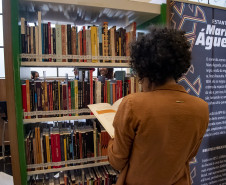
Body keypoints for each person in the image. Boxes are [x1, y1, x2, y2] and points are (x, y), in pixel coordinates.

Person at [107, 27, 209, 185]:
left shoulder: (132, 105)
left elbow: (117, 161)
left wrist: (112, 140)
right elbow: (189, 154)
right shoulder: (201, 108)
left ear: (145, 70)